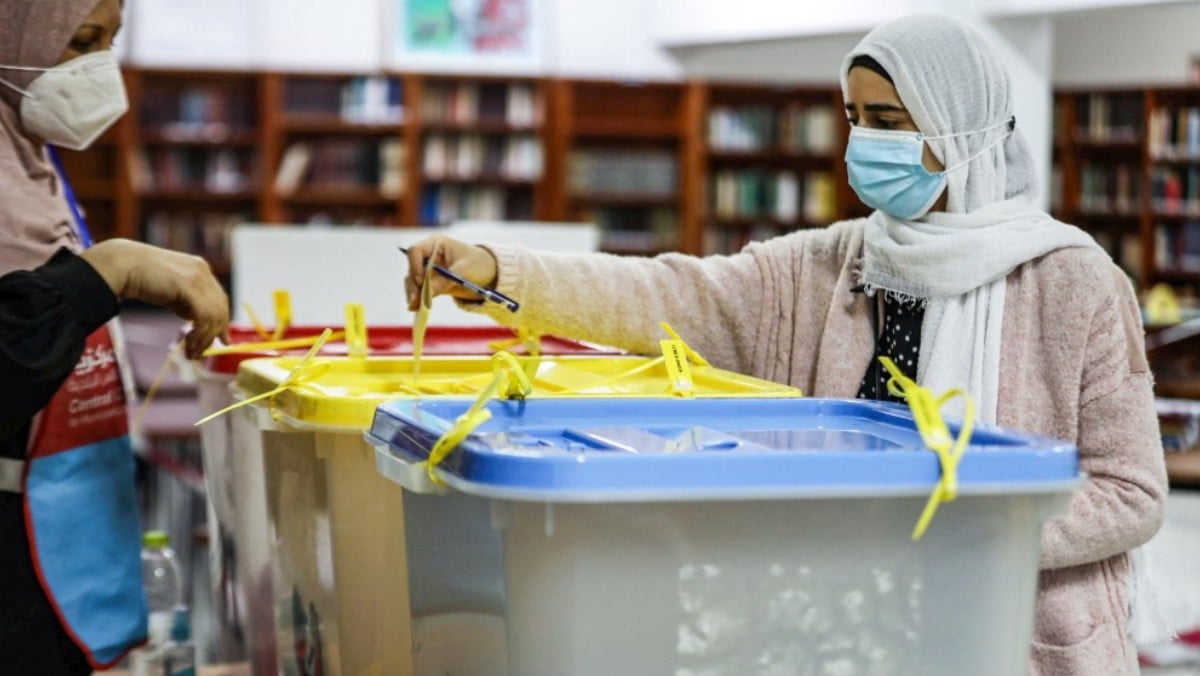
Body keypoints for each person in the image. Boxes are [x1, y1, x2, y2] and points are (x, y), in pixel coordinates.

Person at [404, 14, 1167, 676]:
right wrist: (502, 274)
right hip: (842, 631)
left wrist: (968, 536)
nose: (865, 140)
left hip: (1018, 640)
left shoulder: (1072, 283)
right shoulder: (827, 265)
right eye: (855, 116)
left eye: (891, 121)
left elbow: (1130, 492)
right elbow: (668, 294)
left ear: (958, 126)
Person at [0, 1, 229, 673]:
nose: (100, 68)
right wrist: (106, 272)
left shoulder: (27, 163)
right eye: (79, 41)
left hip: (56, 530)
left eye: (110, 42)